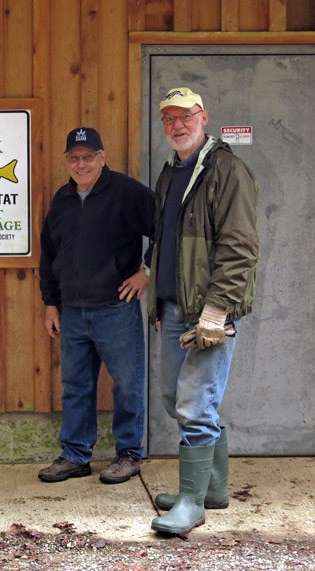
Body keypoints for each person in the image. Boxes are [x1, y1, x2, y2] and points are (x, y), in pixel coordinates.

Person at [147, 87, 259, 534]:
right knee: (179, 399)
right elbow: (164, 244)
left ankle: (192, 503)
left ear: (204, 117)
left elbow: (240, 246)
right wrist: (159, 301)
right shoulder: (171, 173)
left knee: (195, 403)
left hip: (208, 311)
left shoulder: (227, 169)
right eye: (169, 118)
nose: (177, 124)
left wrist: (217, 311)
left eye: (186, 116)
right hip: (175, 307)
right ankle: (211, 487)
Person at [38, 127, 155, 485]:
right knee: (76, 386)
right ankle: (75, 455)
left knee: (127, 384)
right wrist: (50, 303)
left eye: (88, 156)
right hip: (72, 311)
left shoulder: (128, 192)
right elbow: (49, 255)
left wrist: (146, 271)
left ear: (102, 158)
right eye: (74, 157)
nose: (81, 163)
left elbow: (167, 230)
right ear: (67, 161)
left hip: (115, 309)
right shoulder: (62, 199)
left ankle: (129, 454)